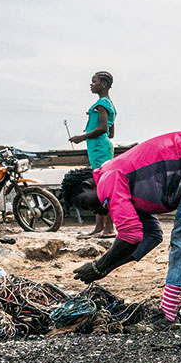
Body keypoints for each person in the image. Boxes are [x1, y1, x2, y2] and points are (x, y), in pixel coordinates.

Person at [66, 132, 181, 322]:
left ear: (87, 185)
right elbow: (151, 235)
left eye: (85, 204)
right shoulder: (123, 180)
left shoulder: (108, 178)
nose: (94, 212)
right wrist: (107, 268)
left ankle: (170, 314)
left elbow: (129, 235)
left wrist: (98, 266)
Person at [68, 71, 116, 238]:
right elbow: (111, 133)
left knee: (104, 188)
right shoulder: (109, 104)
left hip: (98, 149)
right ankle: (99, 226)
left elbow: (103, 128)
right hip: (103, 146)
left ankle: (108, 228)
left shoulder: (101, 104)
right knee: (100, 186)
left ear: (103, 84)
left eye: (94, 81)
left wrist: (82, 137)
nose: (91, 84)